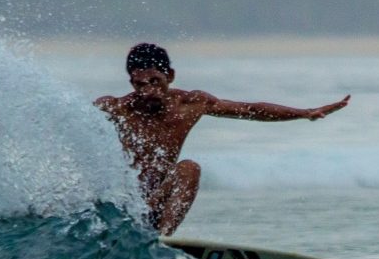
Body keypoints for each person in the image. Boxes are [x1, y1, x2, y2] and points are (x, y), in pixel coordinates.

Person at [94, 43, 350, 234]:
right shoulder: (114, 109)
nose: (149, 91)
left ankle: (162, 241)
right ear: (131, 82)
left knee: (189, 169)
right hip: (123, 206)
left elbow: (250, 110)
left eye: (155, 81)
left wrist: (305, 113)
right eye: (140, 85)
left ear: (170, 76)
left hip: (158, 204)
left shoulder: (190, 104)